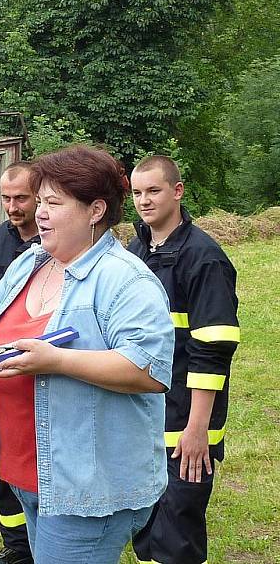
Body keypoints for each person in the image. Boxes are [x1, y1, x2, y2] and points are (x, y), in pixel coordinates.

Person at [0, 145, 175, 563]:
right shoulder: (30, 263)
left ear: (95, 210)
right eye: (41, 202)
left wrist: (57, 361)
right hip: (29, 475)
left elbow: (148, 369)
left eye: (54, 203)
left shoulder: (124, 279)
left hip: (86, 490)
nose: (40, 213)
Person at [128, 156, 240, 564]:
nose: (144, 201)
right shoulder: (137, 249)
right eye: (138, 193)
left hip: (185, 424)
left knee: (177, 535)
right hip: (145, 416)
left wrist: (198, 428)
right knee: (146, 531)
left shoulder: (204, 258)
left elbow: (212, 349)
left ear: (177, 192)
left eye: (154, 191)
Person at [0, 162, 38, 564]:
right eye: (5, 198)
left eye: (21, 198)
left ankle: (45, 541)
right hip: (3, 374)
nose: (12, 207)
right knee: (5, 460)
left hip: (44, 367)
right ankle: (16, 547)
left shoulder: (60, 243)